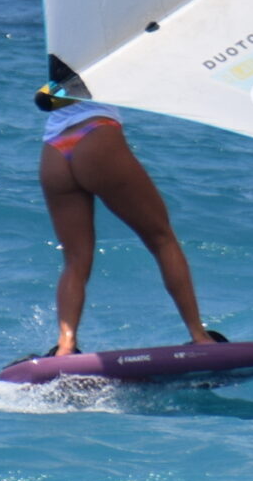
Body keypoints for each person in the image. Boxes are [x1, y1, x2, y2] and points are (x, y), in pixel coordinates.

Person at [34, 88, 224, 356]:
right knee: (161, 238)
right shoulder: (94, 67)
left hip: (54, 148)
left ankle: (65, 345)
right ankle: (200, 336)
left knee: (75, 259)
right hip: (95, 135)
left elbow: (44, 100)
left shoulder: (61, 71)